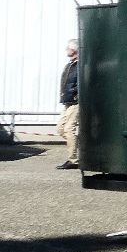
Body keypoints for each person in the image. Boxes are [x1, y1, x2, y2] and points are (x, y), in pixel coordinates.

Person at [57, 40, 80, 170]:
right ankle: (77, 147)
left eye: (68, 48)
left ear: (74, 50)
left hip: (75, 102)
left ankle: (73, 160)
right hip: (67, 101)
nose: (66, 49)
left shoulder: (79, 66)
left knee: (68, 129)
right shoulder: (70, 65)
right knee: (60, 128)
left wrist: (76, 95)